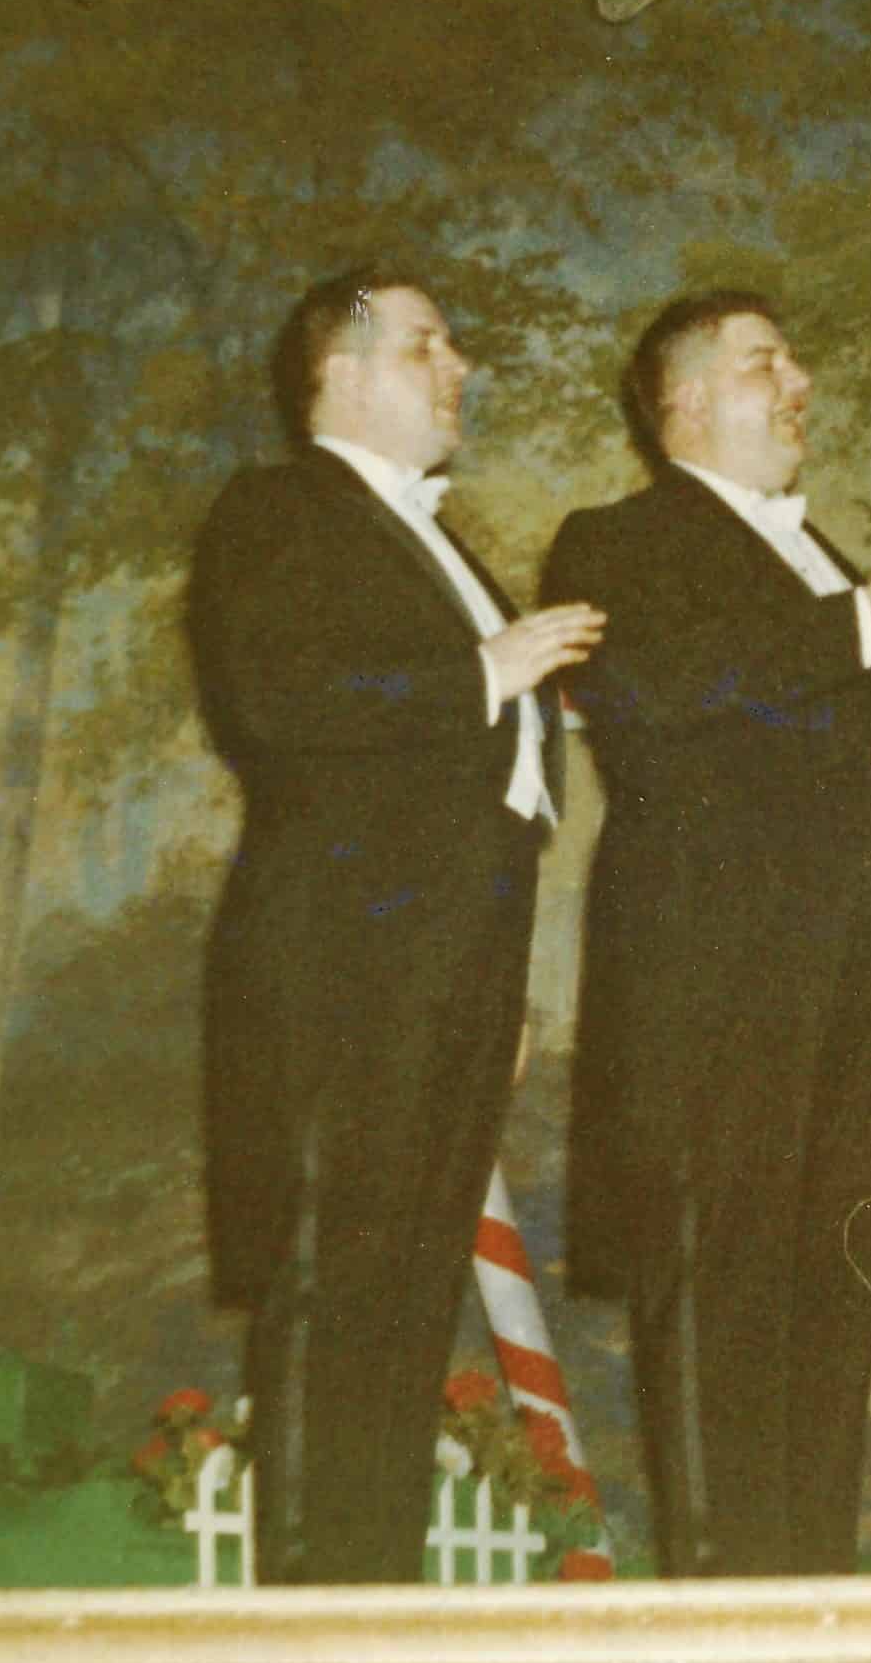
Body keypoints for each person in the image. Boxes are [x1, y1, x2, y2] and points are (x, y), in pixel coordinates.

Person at [544, 291, 871, 1577]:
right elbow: (652, 687)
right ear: (683, 403)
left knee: (833, 1293)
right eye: (763, 362)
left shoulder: (828, 558)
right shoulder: (616, 537)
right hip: (722, 983)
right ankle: (726, 1620)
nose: (799, 379)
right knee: (727, 1290)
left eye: (797, 357)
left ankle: (812, 1608)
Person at [186, 267, 604, 1583]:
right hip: (337, 970)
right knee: (330, 1280)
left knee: (408, 1302)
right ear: (344, 372)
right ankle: (314, 1642)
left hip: (445, 982)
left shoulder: (436, 542)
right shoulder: (275, 510)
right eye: (427, 344)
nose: (458, 363)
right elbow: (275, 696)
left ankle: (372, 1622)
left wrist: (501, 987)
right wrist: (488, 668)